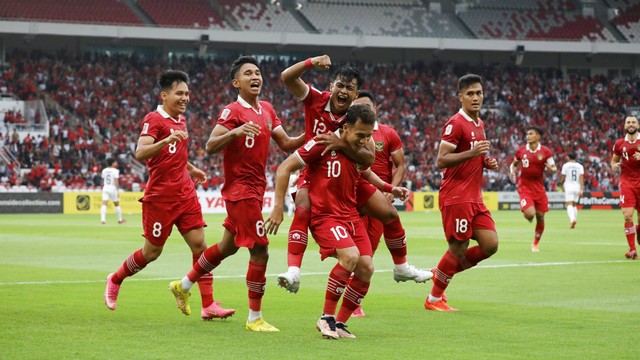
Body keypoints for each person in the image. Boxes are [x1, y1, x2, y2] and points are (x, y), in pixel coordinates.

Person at [167, 56, 304, 332]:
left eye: (258, 72)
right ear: (236, 83)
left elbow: (287, 143)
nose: (256, 77)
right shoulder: (232, 111)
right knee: (261, 250)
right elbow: (210, 145)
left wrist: (313, 133)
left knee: (227, 247)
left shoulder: (267, 109)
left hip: (254, 190)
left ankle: (182, 285)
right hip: (240, 191)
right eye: (248, 73)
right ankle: (255, 318)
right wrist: (237, 131)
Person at [277, 55, 430, 294]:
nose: (344, 91)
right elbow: (287, 77)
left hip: (350, 176)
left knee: (389, 214)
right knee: (303, 207)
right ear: (331, 86)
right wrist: (311, 63)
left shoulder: (354, 116)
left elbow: (368, 157)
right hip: (314, 171)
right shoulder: (315, 99)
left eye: (350, 88)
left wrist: (340, 144)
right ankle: (294, 271)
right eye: (340, 85)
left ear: (355, 94)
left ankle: (401, 267)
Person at [266, 104, 408, 338]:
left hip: (350, 215)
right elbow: (285, 167)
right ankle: (326, 317)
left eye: (368, 136)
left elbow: (365, 170)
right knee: (350, 257)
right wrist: (278, 206)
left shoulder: (358, 151)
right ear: (345, 128)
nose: (364, 141)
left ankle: (339, 323)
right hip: (325, 216)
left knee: (366, 268)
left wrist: (390, 187)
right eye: (360, 135)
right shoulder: (322, 143)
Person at [104, 70, 220, 321]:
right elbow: (141, 152)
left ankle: (208, 304)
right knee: (152, 253)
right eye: (179, 93)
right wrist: (167, 138)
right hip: (160, 197)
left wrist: (191, 168)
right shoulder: (154, 119)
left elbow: (174, 152)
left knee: (200, 245)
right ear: (164, 95)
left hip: (185, 193)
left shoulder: (181, 120)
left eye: (187, 93)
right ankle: (115, 279)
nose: (185, 98)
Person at [350, 90, 431, 317]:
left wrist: (391, 190)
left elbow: (400, 166)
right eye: (357, 107)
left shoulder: (388, 133)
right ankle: (352, 302)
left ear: (375, 109)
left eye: (366, 106)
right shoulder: (348, 132)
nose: (362, 110)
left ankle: (354, 299)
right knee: (354, 251)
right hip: (354, 195)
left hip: (379, 197)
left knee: (370, 250)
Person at [425, 74, 499, 312]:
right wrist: (472, 153)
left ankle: (441, 272)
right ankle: (434, 299)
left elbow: (475, 154)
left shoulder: (480, 124)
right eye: (470, 94)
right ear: (460, 97)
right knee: (458, 248)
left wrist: (486, 162)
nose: (475, 97)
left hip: (475, 197)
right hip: (456, 195)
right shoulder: (455, 123)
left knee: (490, 244)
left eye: (478, 93)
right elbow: (441, 160)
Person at [509, 127, 557, 252]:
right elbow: (513, 164)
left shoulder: (546, 152)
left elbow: (554, 168)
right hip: (524, 187)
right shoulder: (521, 150)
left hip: (539, 188)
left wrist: (552, 170)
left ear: (538, 136)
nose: (528, 136)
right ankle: (529, 215)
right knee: (531, 213)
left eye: (531, 134)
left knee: (540, 216)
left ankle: (535, 244)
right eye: (527, 134)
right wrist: (512, 171)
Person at [611, 115, 640, 260]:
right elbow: (614, 161)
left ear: (638, 125)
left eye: (633, 122)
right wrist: (614, 166)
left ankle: (638, 234)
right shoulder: (619, 144)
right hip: (627, 183)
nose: (631, 124)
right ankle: (632, 249)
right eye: (628, 122)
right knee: (628, 215)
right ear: (624, 125)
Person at [559, 153, 584, 229]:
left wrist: (562, 185)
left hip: (569, 186)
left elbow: (563, 178)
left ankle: (572, 219)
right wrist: (581, 188)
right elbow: (581, 178)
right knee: (574, 205)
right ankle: (574, 220)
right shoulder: (580, 166)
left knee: (569, 204)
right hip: (577, 186)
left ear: (568, 157)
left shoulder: (565, 166)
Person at [100, 158, 126, 225]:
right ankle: (120, 220)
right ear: (112, 163)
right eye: (115, 162)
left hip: (105, 187)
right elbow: (116, 181)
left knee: (104, 204)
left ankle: (103, 220)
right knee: (116, 204)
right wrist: (117, 191)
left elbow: (102, 180)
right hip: (112, 188)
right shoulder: (115, 171)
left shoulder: (104, 170)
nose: (116, 164)